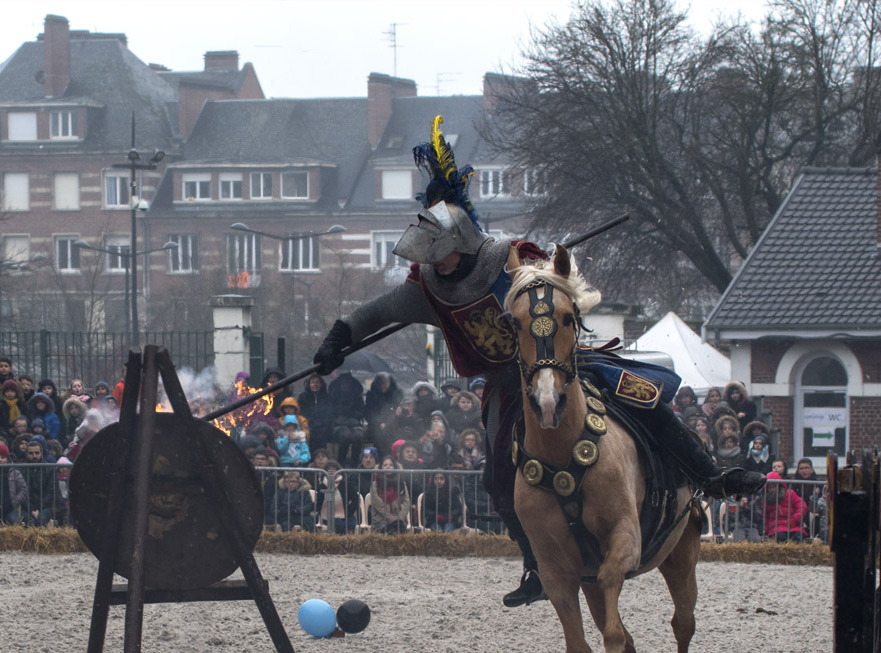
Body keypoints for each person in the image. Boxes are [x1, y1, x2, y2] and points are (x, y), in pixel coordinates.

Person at [313, 116, 765, 606]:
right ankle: (535, 564)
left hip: (562, 365)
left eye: (441, 254)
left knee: (644, 405)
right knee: (497, 479)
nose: (435, 263)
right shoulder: (429, 288)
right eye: (431, 256)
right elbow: (379, 312)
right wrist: (339, 338)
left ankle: (710, 477)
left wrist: (541, 279)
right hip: (507, 387)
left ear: (462, 244)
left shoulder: (509, 260)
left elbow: (553, 295)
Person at [0, 443, 27, 524]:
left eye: (3, 457)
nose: (0, 460)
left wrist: (14, 501)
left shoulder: (15, 472)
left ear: (7, 459)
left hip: (11, 508)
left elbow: (23, 489)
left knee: (16, 526)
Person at [315, 458, 360, 534]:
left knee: (350, 524)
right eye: (328, 469)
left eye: (334, 468)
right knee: (339, 525)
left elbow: (355, 499)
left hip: (347, 514)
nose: (331, 470)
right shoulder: (322, 486)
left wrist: (349, 510)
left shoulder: (346, 484)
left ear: (338, 470)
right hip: (328, 516)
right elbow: (319, 503)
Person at [369, 455, 411, 534]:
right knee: (388, 531)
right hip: (381, 520)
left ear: (395, 467)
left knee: (400, 530)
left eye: (391, 465)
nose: (388, 467)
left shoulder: (402, 483)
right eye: (385, 465)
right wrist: (391, 518)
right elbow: (378, 505)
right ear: (381, 467)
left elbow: (406, 502)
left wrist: (399, 517)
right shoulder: (375, 484)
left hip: (399, 519)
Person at [764, 471, 807, 543]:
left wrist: (795, 519)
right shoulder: (766, 499)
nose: (772, 489)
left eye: (774, 486)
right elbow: (765, 516)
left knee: (798, 536)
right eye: (770, 487)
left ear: (779, 485)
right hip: (776, 527)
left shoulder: (790, 494)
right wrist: (766, 530)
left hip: (793, 524)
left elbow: (802, 506)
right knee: (781, 537)